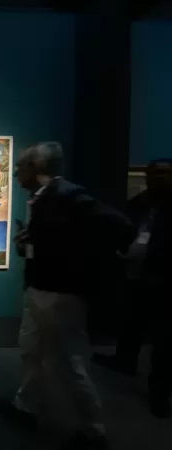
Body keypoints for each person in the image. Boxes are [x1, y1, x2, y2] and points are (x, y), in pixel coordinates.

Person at [0, 142, 135, 450]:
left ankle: (94, 429)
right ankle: (26, 404)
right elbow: (48, 239)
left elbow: (121, 227)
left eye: (19, 167)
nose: (15, 173)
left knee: (68, 360)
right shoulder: (41, 198)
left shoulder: (70, 196)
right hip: (38, 289)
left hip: (59, 295)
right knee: (30, 348)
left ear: (35, 168)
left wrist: (75, 261)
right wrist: (29, 244)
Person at [92, 158, 172, 419]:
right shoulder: (139, 203)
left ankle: (159, 393)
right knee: (131, 323)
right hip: (135, 276)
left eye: (164, 173)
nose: (158, 178)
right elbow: (123, 228)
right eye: (153, 174)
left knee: (163, 340)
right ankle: (125, 360)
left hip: (164, 280)